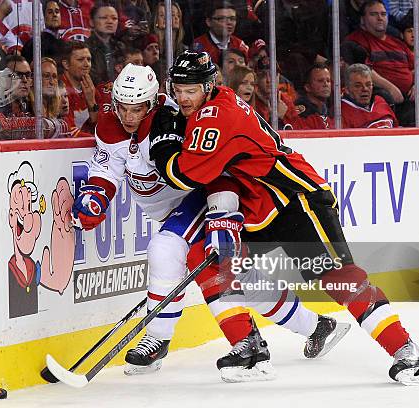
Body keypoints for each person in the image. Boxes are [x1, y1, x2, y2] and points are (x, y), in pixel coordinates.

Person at [148, 50, 419, 385]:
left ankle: (408, 351)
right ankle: (249, 347)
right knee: (210, 259)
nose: (183, 97)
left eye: (191, 89)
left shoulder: (216, 115)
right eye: (178, 88)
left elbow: (180, 175)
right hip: (260, 209)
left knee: (338, 279)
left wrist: (163, 140)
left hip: (295, 201)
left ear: (210, 85)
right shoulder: (207, 107)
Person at [73, 63, 348, 382]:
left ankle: (201, 342)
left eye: (137, 109)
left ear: (152, 103)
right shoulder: (110, 125)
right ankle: (317, 326)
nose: (129, 117)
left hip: (202, 197)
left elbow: (218, 166)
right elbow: (109, 166)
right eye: (123, 108)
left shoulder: (176, 118)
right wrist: (96, 195)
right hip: (169, 208)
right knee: (244, 278)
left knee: (169, 250)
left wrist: (222, 212)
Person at [345, 0, 419, 126]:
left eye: (383, 14)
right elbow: (364, 70)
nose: (380, 18)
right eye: (374, 14)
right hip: (384, 94)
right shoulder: (356, 41)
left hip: (411, 95)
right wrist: (390, 87)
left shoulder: (398, 43)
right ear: (363, 20)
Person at [191, 0, 249, 66]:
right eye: (222, 19)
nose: (229, 23)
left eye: (232, 18)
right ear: (209, 22)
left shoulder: (240, 45)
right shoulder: (197, 47)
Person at [342, 63, 398, 128]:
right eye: (358, 86)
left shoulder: (380, 101)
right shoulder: (341, 112)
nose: (365, 89)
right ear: (346, 89)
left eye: (368, 85)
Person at [288, 63, 335, 129]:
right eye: (320, 81)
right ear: (307, 87)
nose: (326, 84)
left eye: (328, 80)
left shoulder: (332, 110)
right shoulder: (302, 113)